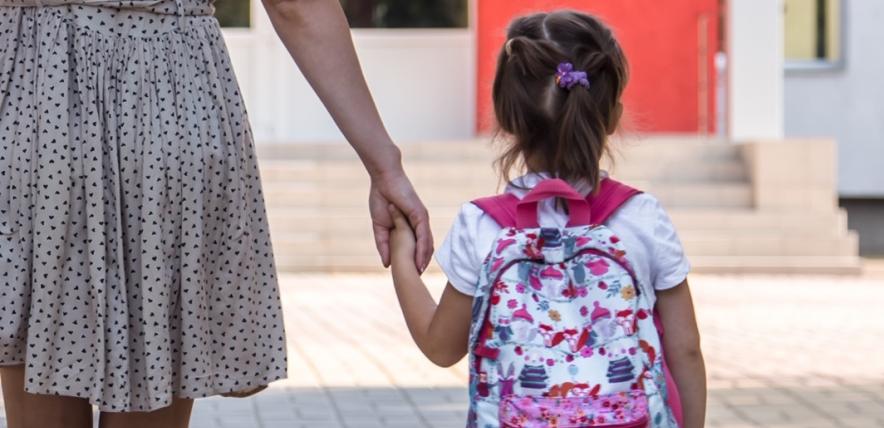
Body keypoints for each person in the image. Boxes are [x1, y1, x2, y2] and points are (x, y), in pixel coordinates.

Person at [0, 0, 431, 426]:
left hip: (35, 97)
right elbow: (296, 5)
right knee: (155, 367)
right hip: (169, 97)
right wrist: (383, 163)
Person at [387, 10, 706, 428]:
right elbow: (685, 350)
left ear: (505, 116)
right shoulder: (642, 216)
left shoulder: (481, 225)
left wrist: (401, 251)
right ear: (611, 116)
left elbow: (440, 347)